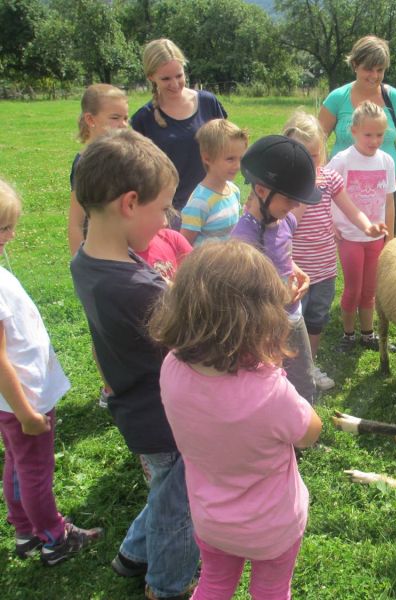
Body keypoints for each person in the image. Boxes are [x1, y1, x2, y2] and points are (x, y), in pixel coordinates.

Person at [150, 240, 323, 600]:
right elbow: (310, 432)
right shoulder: (270, 391)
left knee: (213, 582)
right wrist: (272, 367)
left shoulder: (171, 368)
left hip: (211, 520)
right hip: (272, 526)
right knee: (271, 590)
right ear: (259, 320)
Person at [69, 129, 199, 599]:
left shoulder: (89, 260)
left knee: (166, 490)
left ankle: (132, 555)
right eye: (162, 207)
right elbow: (188, 345)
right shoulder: (135, 288)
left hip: (134, 404)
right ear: (128, 203)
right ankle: (168, 585)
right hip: (164, 417)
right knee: (180, 505)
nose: (167, 220)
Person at [0, 179, 103, 566]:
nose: (10, 235)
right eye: (2, 228)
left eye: (9, 226)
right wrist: (26, 412)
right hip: (25, 399)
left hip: (19, 400)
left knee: (18, 462)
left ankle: (25, 531)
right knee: (35, 471)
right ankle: (53, 538)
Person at [282, 108, 388, 391]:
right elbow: (289, 225)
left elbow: (351, 208)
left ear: (323, 151)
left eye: (315, 156)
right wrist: (305, 192)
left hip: (326, 269)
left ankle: (308, 366)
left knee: (316, 319)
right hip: (295, 272)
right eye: (302, 157)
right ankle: (285, 372)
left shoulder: (329, 178)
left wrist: (367, 227)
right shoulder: (286, 188)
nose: (310, 163)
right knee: (292, 322)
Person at [231, 135, 320, 404]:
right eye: (289, 199)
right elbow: (242, 297)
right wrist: (279, 297)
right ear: (261, 190)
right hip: (262, 330)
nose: (294, 207)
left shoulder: (283, 220)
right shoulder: (242, 241)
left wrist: (297, 269)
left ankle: (300, 437)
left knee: (304, 383)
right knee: (267, 389)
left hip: (293, 319)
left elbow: (281, 253)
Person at [319, 35, 396, 235]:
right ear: (355, 64)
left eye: (380, 70)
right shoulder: (337, 98)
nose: (374, 75)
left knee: (387, 249)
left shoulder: (395, 99)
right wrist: (324, 179)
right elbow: (317, 140)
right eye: (368, 69)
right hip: (343, 192)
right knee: (349, 250)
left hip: (385, 190)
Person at [131, 38, 227, 223]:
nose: (175, 84)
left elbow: (227, 149)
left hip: (214, 205)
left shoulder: (208, 103)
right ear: (151, 77)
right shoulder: (143, 119)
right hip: (171, 213)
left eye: (179, 76)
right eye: (166, 79)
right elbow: (140, 175)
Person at [326, 100, 395, 352]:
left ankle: (367, 334)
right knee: (353, 289)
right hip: (349, 237)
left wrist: (391, 236)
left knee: (370, 290)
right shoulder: (341, 161)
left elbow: (389, 201)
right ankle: (348, 334)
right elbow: (325, 193)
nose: (374, 140)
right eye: (368, 134)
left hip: (375, 239)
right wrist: (330, 224)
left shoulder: (387, 161)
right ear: (353, 131)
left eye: (379, 134)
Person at [68, 83, 129, 256]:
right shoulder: (85, 163)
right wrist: (80, 267)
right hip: (99, 253)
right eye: (115, 118)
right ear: (90, 120)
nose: (123, 125)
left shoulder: (125, 157)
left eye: (125, 118)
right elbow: (76, 223)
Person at [180, 119, 248, 246]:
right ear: (207, 158)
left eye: (241, 158)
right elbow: (184, 245)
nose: (238, 165)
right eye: (230, 159)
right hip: (205, 264)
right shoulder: (200, 201)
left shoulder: (233, 191)